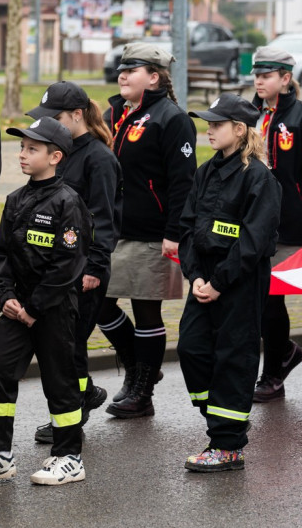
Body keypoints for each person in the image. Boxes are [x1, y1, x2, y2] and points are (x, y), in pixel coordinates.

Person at [0, 117, 90, 486]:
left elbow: (69, 265)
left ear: (55, 156)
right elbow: (2, 255)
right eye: (22, 147)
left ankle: (69, 457)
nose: (22, 154)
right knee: (0, 375)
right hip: (16, 311)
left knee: (59, 383)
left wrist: (35, 307)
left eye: (32, 148)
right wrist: (5, 297)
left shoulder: (69, 202)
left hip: (53, 310)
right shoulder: (16, 199)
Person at [178, 93, 280, 471]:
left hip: (239, 280)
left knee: (233, 359)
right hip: (205, 280)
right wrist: (197, 276)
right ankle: (226, 417)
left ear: (239, 130)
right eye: (208, 123)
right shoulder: (206, 172)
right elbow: (187, 227)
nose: (209, 130)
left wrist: (219, 281)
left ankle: (228, 445)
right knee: (191, 348)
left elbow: (253, 242)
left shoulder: (259, 177)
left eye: (216, 124)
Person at [98, 42, 196, 418]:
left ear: (153, 77)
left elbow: (183, 183)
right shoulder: (114, 113)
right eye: (122, 68)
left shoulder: (172, 119)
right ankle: (140, 367)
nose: (122, 74)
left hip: (153, 232)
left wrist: (174, 232)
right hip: (112, 230)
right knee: (98, 305)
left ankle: (142, 394)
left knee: (146, 312)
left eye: (133, 69)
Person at [25, 82, 123, 444]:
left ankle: (72, 415)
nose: (47, 124)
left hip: (85, 269)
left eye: (55, 118)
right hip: (59, 266)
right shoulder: (61, 152)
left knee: (66, 345)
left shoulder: (99, 158)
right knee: (67, 344)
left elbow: (103, 219)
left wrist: (95, 268)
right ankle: (85, 395)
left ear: (77, 116)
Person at [249, 47, 302, 402]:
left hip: (294, 223)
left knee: (274, 295)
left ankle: (275, 367)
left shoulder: (298, 117)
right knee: (268, 297)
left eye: (266, 76)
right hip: (262, 222)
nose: (259, 81)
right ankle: (278, 364)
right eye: (256, 75)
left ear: (285, 79)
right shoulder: (253, 114)